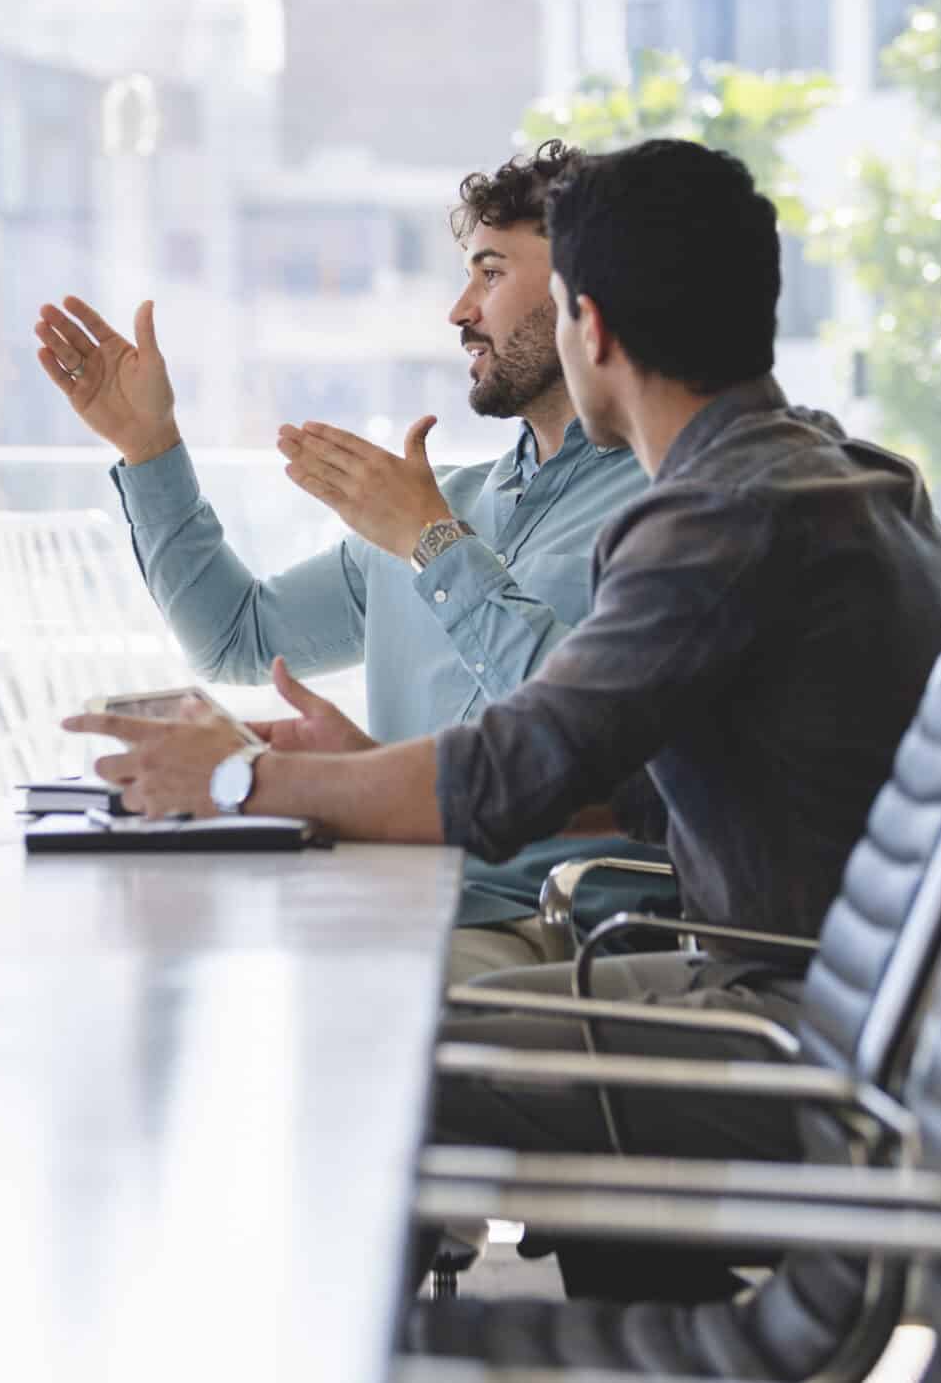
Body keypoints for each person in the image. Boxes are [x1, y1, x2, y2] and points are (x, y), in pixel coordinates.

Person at [64, 138, 941, 1299]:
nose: (459, 308)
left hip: (779, 1029)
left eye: (492, 272)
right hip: (822, 1004)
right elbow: (645, 778)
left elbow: (520, 777)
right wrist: (372, 764)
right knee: (363, 1020)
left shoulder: (716, 513)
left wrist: (243, 776)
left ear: (589, 325)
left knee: (363, 1050)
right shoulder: (813, 481)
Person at [34, 140, 673, 980]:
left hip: (536, 926)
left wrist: (432, 544)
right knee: (119, 942)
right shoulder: (438, 499)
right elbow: (236, 635)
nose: (457, 310)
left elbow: (589, 738)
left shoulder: (666, 511)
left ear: (581, 297)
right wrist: (149, 448)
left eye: (488, 273)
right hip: (385, 887)